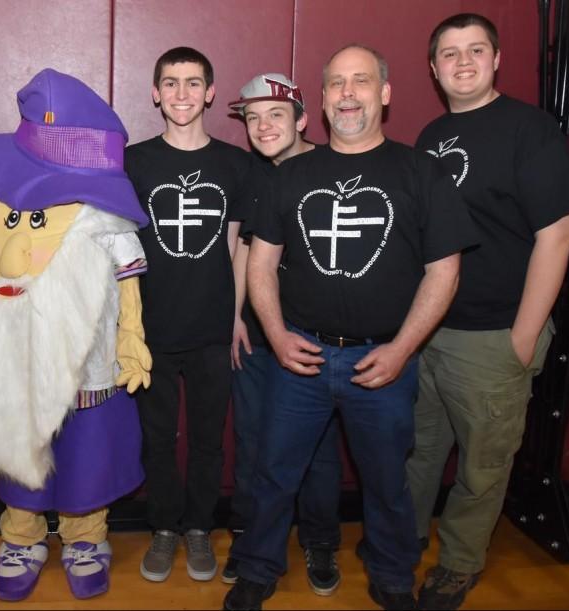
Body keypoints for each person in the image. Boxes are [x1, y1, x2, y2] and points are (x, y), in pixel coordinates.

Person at [223, 44, 475, 611]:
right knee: (273, 474)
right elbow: (260, 262)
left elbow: (446, 271)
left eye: (360, 81)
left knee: (388, 485)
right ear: (323, 98)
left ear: (384, 93)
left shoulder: (421, 171)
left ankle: (391, 578)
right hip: (301, 358)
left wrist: (403, 350)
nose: (347, 94)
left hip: (383, 363)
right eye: (336, 83)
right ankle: (258, 570)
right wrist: (277, 333)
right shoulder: (293, 174)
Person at [0, 68, 151, 602]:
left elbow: (129, 283)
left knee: (87, 455)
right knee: (23, 454)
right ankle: (22, 537)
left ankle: (86, 538)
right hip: (16, 364)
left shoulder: (102, 216)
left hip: (86, 364)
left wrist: (131, 338)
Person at [407, 14, 569, 610]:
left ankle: (458, 563)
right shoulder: (431, 135)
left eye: (474, 49)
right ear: (433, 69)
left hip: (494, 334)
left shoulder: (528, 130)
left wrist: (524, 336)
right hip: (430, 330)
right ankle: (403, 541)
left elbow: (558, 233)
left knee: (482, 465)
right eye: (449, 53)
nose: (462, 62)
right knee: (420, 451)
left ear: (496, 58)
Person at [124, 46, 253, 584]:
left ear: (211, 92)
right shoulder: (134, 162)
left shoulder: (234, 163)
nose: (182, 94)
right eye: (171, 84)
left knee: (206, 437)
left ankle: (199, 527)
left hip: (211, 328)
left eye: (193, 83)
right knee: (157, 438)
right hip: (153, 328)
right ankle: (163, 528)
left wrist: (238, 315)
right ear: (155, 93)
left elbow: (237, 246)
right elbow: (117, 245)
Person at [224, 73, 344, 596]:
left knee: (316, 449)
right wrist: (233, 317)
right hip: (257, 335)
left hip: (312, 336)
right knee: (254, 443)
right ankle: (252, 539)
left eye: (275, 114)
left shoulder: (334, 167)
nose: (263, 126)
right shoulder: (255, 175)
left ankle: (320, 540)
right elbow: (246, 251)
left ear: (300, 117)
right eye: (253, 118)